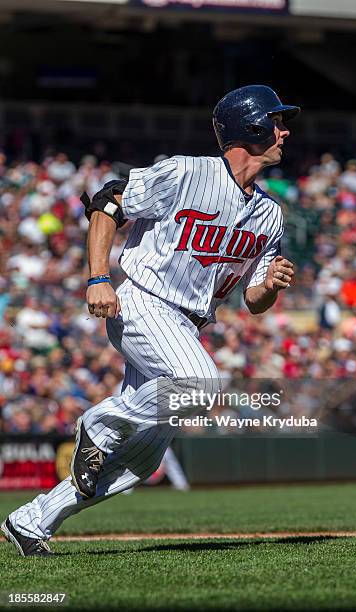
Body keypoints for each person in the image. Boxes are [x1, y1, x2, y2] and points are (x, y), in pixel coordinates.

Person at [2, 84, 299, 556]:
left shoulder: (270, 214)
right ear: (251, 126)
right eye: (277, 122)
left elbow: (253, 300)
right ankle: (99, 425)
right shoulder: (186, 172)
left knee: (139, 461)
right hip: (143, 302)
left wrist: (271, 285)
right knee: (201, 382)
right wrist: (97, 277)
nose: (285, 131)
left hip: (186, 324)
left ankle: (32, 521)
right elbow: (107, 202)